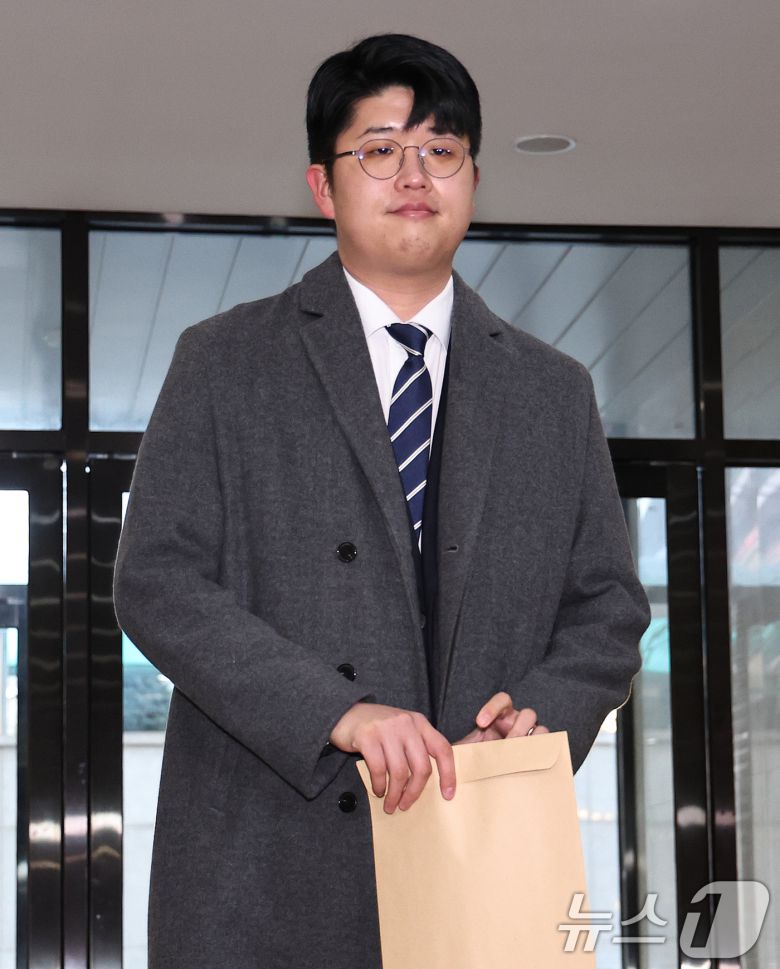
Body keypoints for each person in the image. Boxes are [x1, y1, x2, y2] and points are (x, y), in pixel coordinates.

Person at [113, 32, 650, 969]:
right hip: (264, 866)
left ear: (474, 179)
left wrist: (539, 712)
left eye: (441, 149)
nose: (414, 174)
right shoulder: (226, 360)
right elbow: (157, 579)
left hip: (478, 864)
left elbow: (608, 607)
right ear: (323, 185)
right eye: (380, 149)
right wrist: (339, 710)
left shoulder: (553, 391)